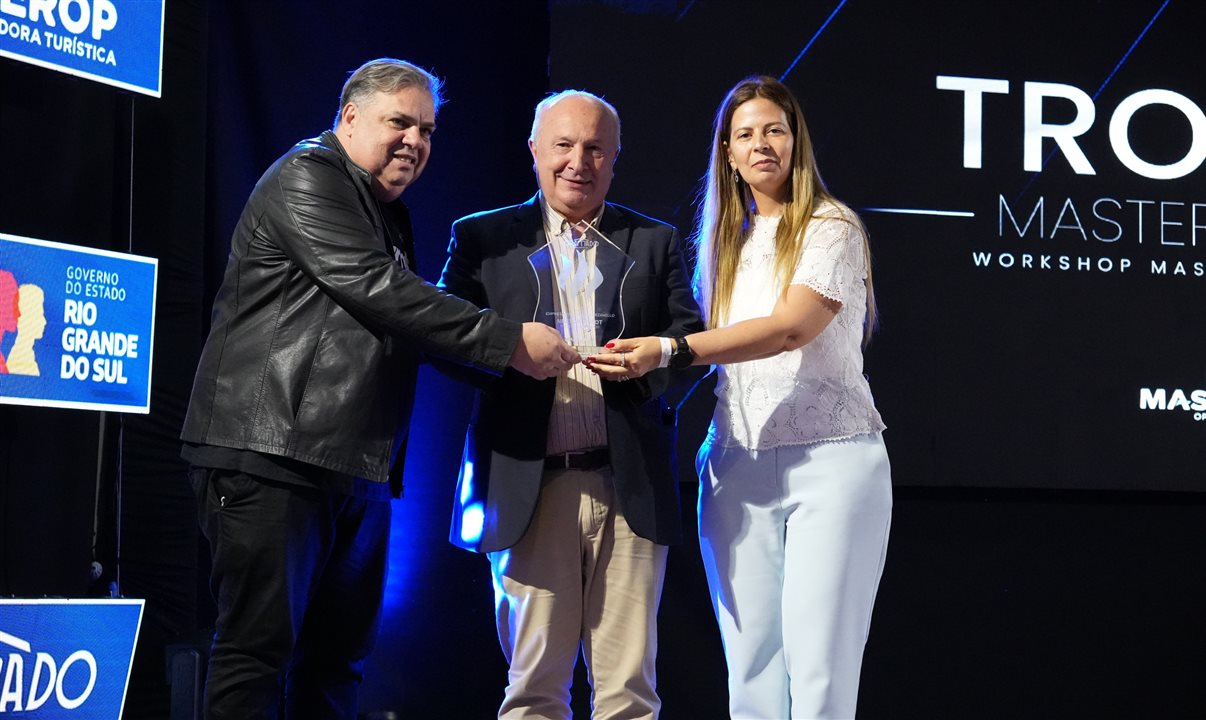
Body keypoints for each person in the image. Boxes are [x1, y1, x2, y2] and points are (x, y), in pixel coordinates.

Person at [180, 58, 578, 719]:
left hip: (353, 466)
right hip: (270, 454)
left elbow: (409, 332)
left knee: (337, 666)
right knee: (256, 654)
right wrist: (512, 341)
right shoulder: (308, 176)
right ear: (350, 117)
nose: (416, 141)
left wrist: (532, 370)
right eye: (400, 121)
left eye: (427, 129)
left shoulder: (385, 211)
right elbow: (384, 292)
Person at [586, 75, 892, 719]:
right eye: (745, 134)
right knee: (749, 665)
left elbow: (789, 329)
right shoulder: (722, 243)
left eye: (774, 130)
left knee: (821, 669)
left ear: (795, 140)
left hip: (832, 461)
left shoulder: (831, 226)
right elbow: (705, 343)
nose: (761, 145)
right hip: (734, 463)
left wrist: (667, 350)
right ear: (727, 152)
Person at [436, 90, 704, 719]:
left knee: (631, 696)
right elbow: (440, 339)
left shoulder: (655, 240)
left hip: (628, 485)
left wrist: (647, 365)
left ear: (614, 158)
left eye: (594, 148)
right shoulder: (481, 238)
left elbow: (691, 346)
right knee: (533, 693)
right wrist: (509, 350)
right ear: (534, 151)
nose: (578, 161)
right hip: (528, 486)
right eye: (563, 144)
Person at [5, 283, 46, 375]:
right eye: (39, 314)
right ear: (24, 318)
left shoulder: (28, 354)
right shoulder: (19, 359)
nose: (44, 321)